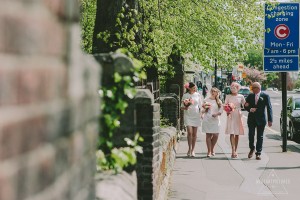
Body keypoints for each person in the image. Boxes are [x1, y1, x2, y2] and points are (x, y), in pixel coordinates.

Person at [244, 82, 273, 160]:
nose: (252, 90)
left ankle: (258, 153)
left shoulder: (265, 96)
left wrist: (270, 120)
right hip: (251, 119)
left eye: (253, 88)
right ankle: (252, 148)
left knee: (260, 136)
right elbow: (245, 105)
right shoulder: (250, 96)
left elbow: (269, 108)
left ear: (257, 88)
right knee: (251, 135)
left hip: (261, 119)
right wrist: (250, 109)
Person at [224, 82, 245, 159]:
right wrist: (228, 109)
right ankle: (233, 150)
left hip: (238, 115)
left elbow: (245, 104)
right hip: (231, 115)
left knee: (237, 133)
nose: (233, 89)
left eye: (234, 88)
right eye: (232, 88)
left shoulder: (241, 96)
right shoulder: (228, 96)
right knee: (231, 132)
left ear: (238, 89)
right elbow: (225, 105)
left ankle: (236, 149)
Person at [181, 82, 202, 157]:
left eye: (195, 87)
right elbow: (181, 107)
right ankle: (189, 148)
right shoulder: (185, 95)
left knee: (194, 134)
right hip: (188, 115)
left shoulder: (198, 95)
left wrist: (202, 114)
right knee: (189, 132)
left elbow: (201, 105)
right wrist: (185, 107)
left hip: (196, 115)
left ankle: (193, 150)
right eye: (193, 87)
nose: (195, 88)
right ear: (189, 88)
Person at [201, 87, 223, 157]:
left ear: (217, 93)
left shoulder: (219, 101)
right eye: (212, 91)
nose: (213, 93)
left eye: (215, 91)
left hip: (215, 120)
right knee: (208, 135)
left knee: (216, 135)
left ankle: (212, 148)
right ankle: (209, 151)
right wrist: (204, 111)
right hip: (207, 119)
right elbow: (202, 110)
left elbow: (221, 111)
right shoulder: (206, 100)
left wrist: (216, 114)